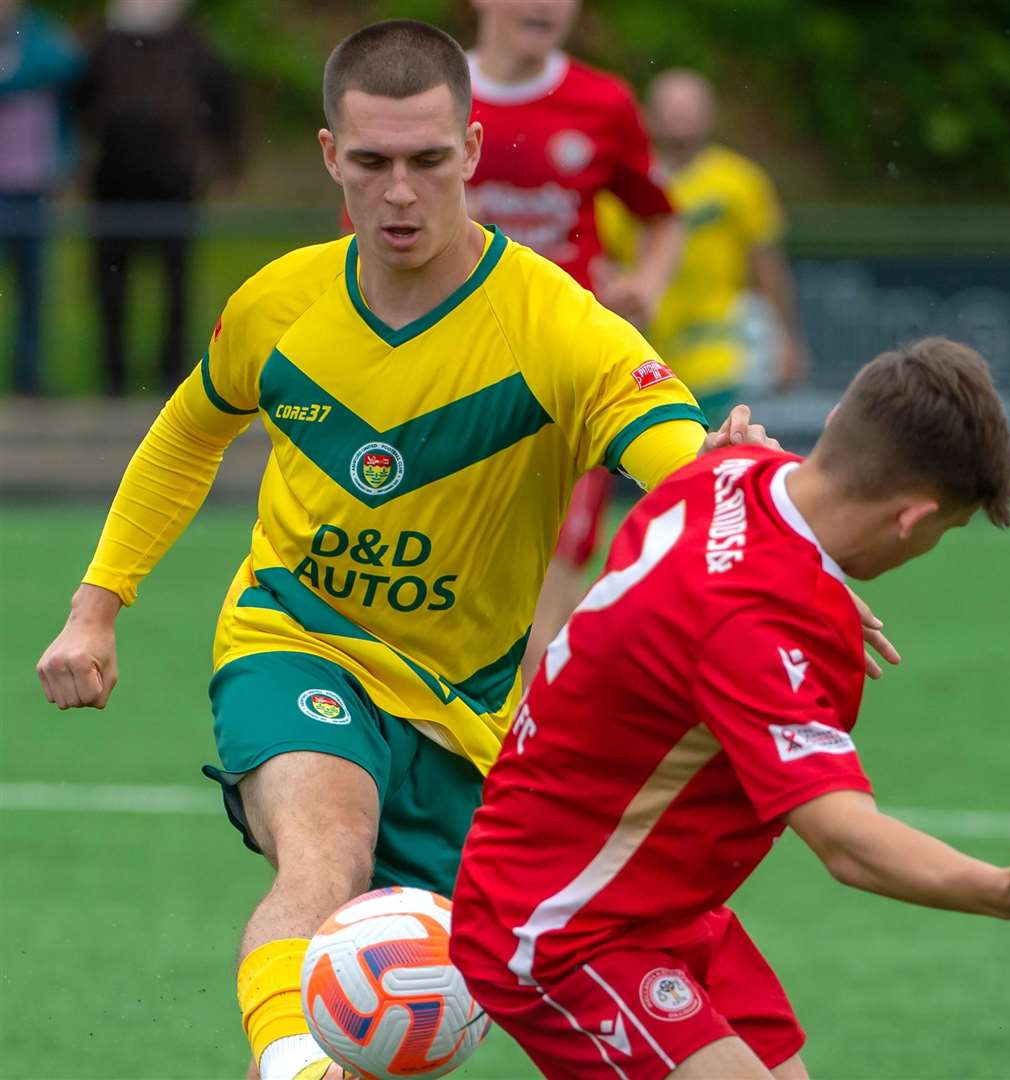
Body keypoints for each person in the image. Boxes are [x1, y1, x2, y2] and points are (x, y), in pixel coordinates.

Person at [38, 21, 888, 1080]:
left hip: (475, 717)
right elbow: (183, 439)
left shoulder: (557, 327)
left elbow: (686, 468)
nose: (399, 192)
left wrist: (779, 545)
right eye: (372, 162)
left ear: (473, 153)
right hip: (295, 643)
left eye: (428, 161)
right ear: (328, 157)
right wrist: (97, 603)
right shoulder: (278, 305)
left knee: (559, 965)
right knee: (326, 859)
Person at [451, 337, 1010, 1080]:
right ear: (910, 519)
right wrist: (1002, 894)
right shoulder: (749, 629)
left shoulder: (732, 469)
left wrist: (819, 586)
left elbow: (745, 531)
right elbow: (847, 844)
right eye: (946, 530)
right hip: (560, 927)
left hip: (659, 905)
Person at [465, 0, 684, 681]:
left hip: (570, 385)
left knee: (537, 630)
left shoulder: (601, 103)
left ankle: (525, 778)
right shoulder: (428, 97)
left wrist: (645, 283)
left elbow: (660, 218)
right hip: (452, 384)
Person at [597, 67, 809, 427]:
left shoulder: (741, 182)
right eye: (671, 105)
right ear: (648, 114)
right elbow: (602, 265)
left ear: (710, 115)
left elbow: (767, 265)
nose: (681, 114)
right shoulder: (622, 185)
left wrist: (788, 338)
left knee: (717, 448)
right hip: (645, 350)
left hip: (720, 348)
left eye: (690, 105)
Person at [76, 0, 241, 395]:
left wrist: (229, 163)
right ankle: (113, 378)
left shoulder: (193, 45)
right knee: (111, 285)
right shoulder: (103, 44)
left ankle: (172, 375)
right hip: (114, 183)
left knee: (176, 283)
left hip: (174, 182)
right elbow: (80, 102)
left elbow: (224, 103)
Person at [0, 0, 81, 394]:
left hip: (32, 187)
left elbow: (65, 64)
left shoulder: (38, 37)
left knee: (33, 291)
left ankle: (28, 377)